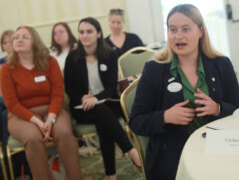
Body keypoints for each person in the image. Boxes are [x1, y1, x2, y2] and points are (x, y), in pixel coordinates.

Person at [129, 4, 239, 180]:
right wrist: (165, 116)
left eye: (186, 29)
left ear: (200, 31)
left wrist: (217, 109)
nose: (178, 36)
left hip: (220, 148)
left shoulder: (221, 64)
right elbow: (136, 122)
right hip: (175, 154)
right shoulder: (154, 70)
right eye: (172, 29)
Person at [0, 26, 82, 180]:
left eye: (25, 37)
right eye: (16, 37)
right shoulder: (6, 69)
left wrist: (50, 119)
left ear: (34, 42)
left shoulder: (50, 62)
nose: (18, 40)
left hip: (53, 110)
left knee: (64, 133)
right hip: (21, 115)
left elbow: (58, 94)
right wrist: (38, 122)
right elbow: (12, 103)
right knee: (32, 139)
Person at [64, 17, 141, 180]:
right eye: (81, 32)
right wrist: (84, 98)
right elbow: (69, 87)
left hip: (107, 103)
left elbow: (111, 87)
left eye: (89, 31)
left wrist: (96, 98)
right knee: (102, 114)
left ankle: (111, 176)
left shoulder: (109, 55)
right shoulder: (72, 57)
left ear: (98, 34)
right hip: (82, 107)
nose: (84, 35)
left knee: (103, 118)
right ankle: (131, 151)